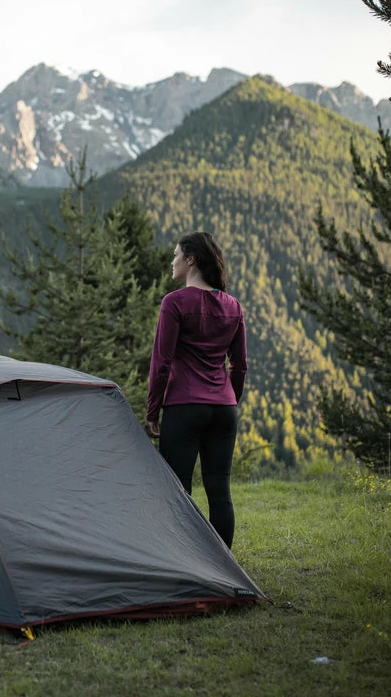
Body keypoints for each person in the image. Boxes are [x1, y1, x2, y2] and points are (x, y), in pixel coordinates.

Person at [146, 232, 246, 549]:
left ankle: (183, 565)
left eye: (176, 254)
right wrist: (229, 401)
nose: (172, 261)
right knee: (220, 491)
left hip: (184, 406)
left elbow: (161, 363)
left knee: (177, 491)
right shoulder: (233, 306)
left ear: (190, 259)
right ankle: (224, 571)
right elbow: (240, 366)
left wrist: (152, 411)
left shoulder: (174, 302)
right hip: (223, 409)